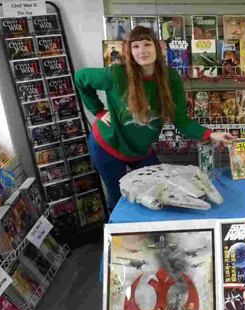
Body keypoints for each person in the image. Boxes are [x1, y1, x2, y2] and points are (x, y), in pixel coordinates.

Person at [75, 26, 233, 210]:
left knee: (161, 192)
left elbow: (181, 120)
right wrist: (98, 111)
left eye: (147, 44)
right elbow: (80, 77)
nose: (142, 51)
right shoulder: (116, 74)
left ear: (157, 47)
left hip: (141, 150)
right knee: (119, 199)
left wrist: (211, 135)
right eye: (136, 46)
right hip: (108, 147)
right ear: (129, 50)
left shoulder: (170, 77)